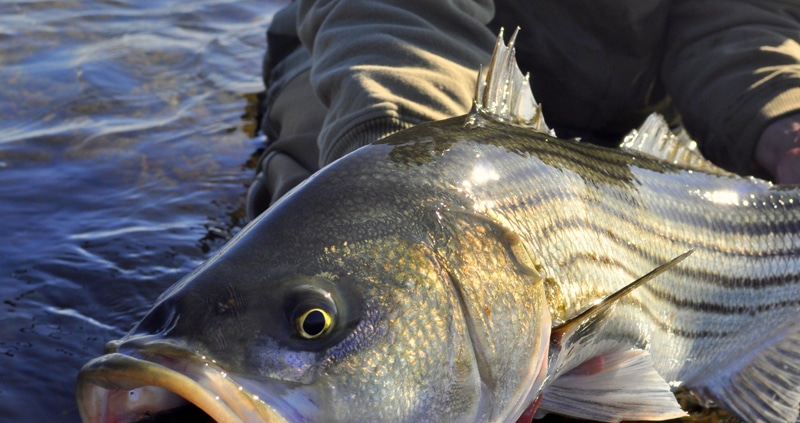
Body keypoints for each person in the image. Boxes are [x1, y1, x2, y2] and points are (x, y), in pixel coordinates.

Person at [247, 0, 800, 218]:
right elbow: (394, 16)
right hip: (378, 47)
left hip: (622, 108)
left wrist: (783, 123)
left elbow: (738, 19)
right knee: (336, 188)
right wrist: (408, 170)